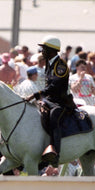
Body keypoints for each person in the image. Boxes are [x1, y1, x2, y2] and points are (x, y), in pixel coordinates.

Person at [25, 35, 76, 168]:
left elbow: (55, 87)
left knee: (54, 117)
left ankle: (55, 154)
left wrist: (35, 95)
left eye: (44, 49)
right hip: (50, 99)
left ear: (52, 50)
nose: (42, 52)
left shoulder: (61, 65)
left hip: (61, 102)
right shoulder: (49, 63)